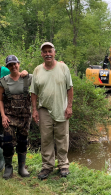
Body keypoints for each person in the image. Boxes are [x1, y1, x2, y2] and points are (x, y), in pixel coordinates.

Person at [30, 42, 73, 179]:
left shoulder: (63, 67)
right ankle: (47, 166)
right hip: (44, 110)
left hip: (61, 108)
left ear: (54, 53)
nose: (47, 53)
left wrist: (69, 106)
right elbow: (33, 92)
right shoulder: (37, 70)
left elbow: (70, 88)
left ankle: (63, 165)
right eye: (45, 52)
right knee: (46, 138)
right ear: (42, 54)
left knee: (62, 137)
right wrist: (34, 110)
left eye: (50, 51)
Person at [0, 55, 32, 179]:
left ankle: (21, 166)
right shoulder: (3, 81)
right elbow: (0, 100)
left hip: (24, 116)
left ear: (19, 63)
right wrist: (3, 116)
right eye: (11, 65)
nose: (14, 66)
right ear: (7, 67)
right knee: (7, 141)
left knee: (22, 141)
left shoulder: (28, 78)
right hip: (9, 116)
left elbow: (42, 80)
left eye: (15, 64)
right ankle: (8, 167)